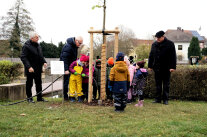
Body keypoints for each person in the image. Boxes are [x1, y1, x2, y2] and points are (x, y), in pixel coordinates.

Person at [148, 30, 176, 105]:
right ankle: (158, 99)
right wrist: (150, 66)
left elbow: (173, 56)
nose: (157, 39)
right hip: (156, 68)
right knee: (158, 84)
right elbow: (151, 56)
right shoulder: (154, 44)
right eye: (156, 38)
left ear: (163, 36)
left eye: (159, 38)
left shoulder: (170, 44)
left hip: (167, 68)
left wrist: (172, 67)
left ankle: (165, 100)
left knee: (166, 84)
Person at [20, 32, 47, 103]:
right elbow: (23, 57)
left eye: (38, 37)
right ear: (32, 38)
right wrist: (29, 67)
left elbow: (40, 55)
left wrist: (44, 61)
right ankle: (29, 98)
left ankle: (39, 97)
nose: (38, 38)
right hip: (30, 69)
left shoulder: (38, 45)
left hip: (38, 68)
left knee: (39, 83)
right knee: (29, 83)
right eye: (36, 37)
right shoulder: (26, 46)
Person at [60, 36, 83, 101]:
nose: (80, 45)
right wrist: (66, 69)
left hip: (71, 67)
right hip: (67, 67)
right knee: (66, 81)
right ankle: (65, 96)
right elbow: (64, 59)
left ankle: (71, 95)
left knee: (71, 82)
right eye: (80, 43)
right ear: (76, 41)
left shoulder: (74, 46)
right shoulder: (68, 47)